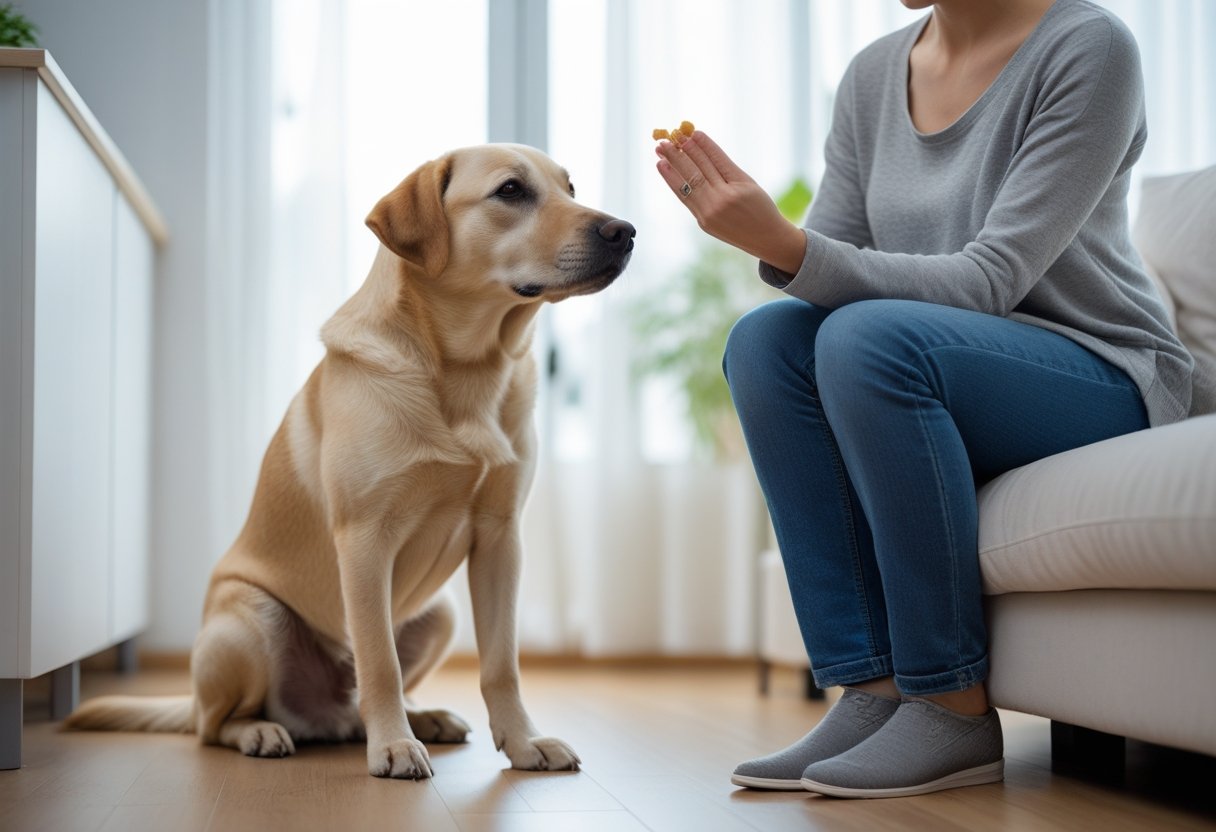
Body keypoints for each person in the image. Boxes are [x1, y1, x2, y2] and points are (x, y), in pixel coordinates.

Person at [654, 0, 1193, 799]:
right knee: (765, 343)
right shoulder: (875, 73)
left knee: (868, 339)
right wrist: (781, 247)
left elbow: (990, 280)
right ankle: (869, 692)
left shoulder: (1087, 47)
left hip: (1100, 370)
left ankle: (951, 704)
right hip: (934, 365)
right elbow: (824, 279)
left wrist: (782, 241)